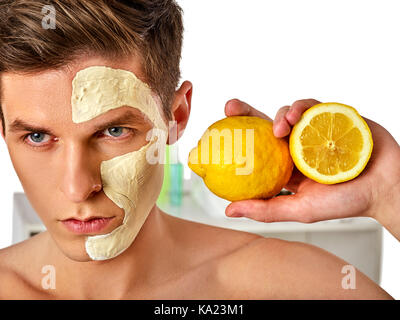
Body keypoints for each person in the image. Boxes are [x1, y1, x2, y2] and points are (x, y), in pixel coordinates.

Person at [0, 0, 394, 299]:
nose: (76, 187)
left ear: (177, 115)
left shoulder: (298, 287)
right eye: (37, 137)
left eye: (114, 130)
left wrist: (389, 194)